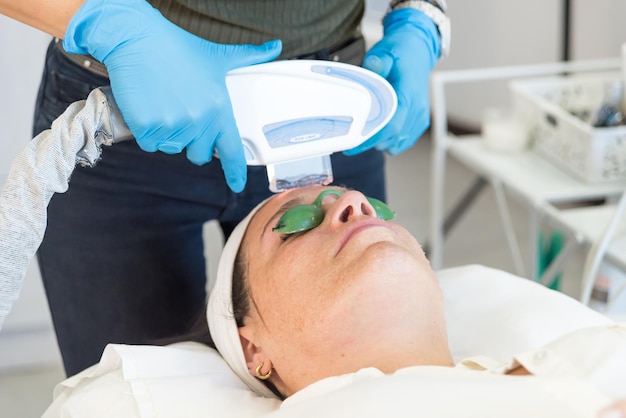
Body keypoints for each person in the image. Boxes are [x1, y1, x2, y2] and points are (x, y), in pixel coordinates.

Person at [0, 0, 450, 375]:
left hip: (326, 106)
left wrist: (422, 16)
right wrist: (108, 22)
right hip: (138, 93)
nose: (353, 202)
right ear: (251, 351)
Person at [206, 184, 626, 414]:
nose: (356, 203)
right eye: (293, 225)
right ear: (252, 346)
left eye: (374, 205)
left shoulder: (589, 350)